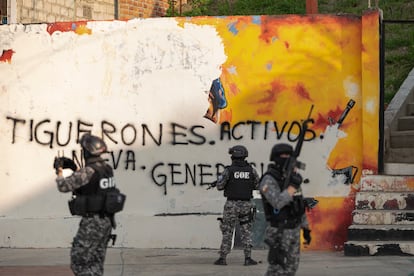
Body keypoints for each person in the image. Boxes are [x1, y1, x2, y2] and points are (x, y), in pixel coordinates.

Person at [55, 133, 124, 276]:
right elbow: (91, 187)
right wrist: (74, 168)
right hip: (107, 221)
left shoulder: (89, 171)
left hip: (92, 223)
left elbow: (63, 186)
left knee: (80, 261)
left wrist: (59, 171)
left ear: (87, 152)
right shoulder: (106, 169)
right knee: (96, 262)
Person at [259, 143, 311, 276]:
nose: (286, 158)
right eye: (284, 155)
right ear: (275, 157)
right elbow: (277, 202)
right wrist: (292, 186)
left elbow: (299, 202)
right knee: (276, 269)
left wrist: (306, 228)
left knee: (291, 269)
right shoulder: (269, 179)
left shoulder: (291, 178)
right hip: (279, 231)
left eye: (289, 155)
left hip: (294, 228)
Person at [214, 145, 260, 266]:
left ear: (233, 157)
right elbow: (257, 185)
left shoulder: (228, 170)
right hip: (246, 204)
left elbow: (220, 186)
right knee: (246, 231)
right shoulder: (252, 170)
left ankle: (223, 258)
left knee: (228, 230)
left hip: (231, 204)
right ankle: (248, 258)